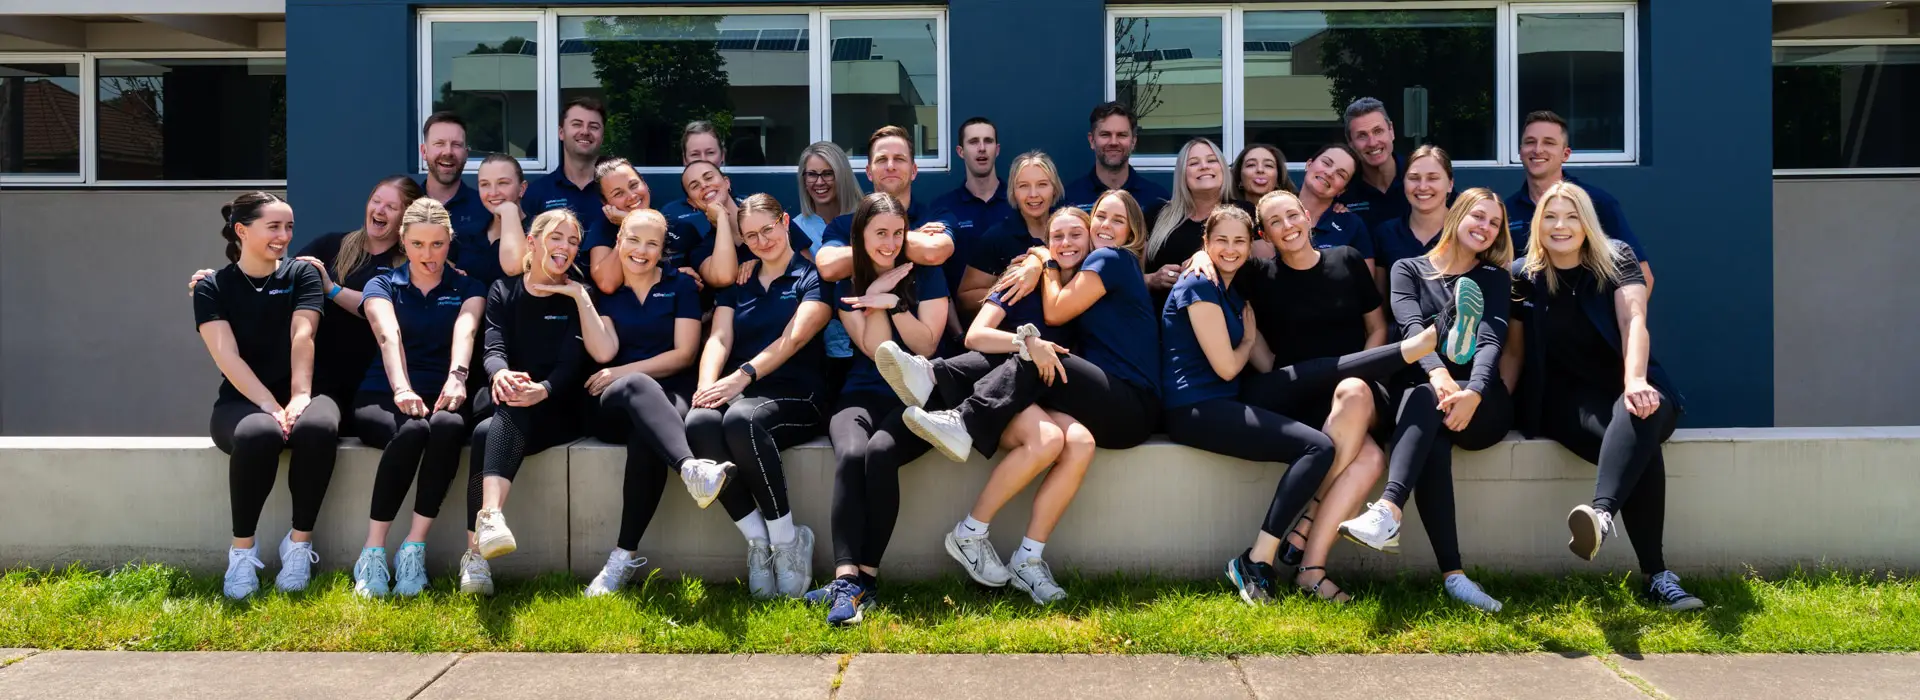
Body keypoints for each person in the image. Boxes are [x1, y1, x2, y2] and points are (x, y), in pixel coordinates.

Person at [1185, 190, 1442, 604]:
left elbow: (1376, 328)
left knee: (1359, 407)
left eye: (1292, 216)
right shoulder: (1260, 274)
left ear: (1307, 216)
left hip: (1353, 389)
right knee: (1371, 455)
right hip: (1297, 391)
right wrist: (1200, 259)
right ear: (1264, 234)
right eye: (1275, 222)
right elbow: (1216, 260)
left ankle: (1308, 542)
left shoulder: (1347, 259)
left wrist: (1360, 366)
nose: (1287, 226)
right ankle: (1309, 565)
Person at [1512, 181, 1702, 611]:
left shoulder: (1617, 258)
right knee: (1640, 448)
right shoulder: (1522, 275)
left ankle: (1600, 515)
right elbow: (1514, 350)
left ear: (1588, 223)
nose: (1561, 226)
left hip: (1631, 384)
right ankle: (1658, 576)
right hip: (1568, 402)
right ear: (1538, 224)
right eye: (1551, 217)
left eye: (1572, 216)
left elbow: (1634, 318)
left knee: (1640, 414)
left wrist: (1635, 380)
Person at [1337, 187, 1515, 613]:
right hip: (1428, 393)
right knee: (1426, 409)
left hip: (1479, 401)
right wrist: (1438, 373)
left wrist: (1472, 391)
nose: (1485, 228)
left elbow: (1491, 342)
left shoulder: (1493, 278)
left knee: (1429, 403)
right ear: (1456, 216)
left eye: (1494, 223)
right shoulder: (1407, 269)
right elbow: (1409, 327)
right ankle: (1454, 577)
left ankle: (1387, 511)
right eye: (1478, 216)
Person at [1156, 206, 1338, 604]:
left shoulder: (1230, 290)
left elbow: (1267, 364)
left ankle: (1388, 359)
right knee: (1317, 447)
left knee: (1317, 422)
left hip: (1223, 402)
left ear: (1252, 243)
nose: (1231, 249)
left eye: (1239, 240)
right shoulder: (1198, 283)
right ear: (1204, 243)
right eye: (1220, 240)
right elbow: (1226, 368)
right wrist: (1246, 340)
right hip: (1195, 409)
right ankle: (1257, 560)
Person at [893, 203, 1161, 463]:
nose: (1106, 225)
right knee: (1033, 351)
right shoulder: (1092, 272)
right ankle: (932, 378)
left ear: (1133, 232)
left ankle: (960, 416)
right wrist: (1039, 258)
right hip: (1110, 404)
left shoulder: (1111, 258)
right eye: (1100, 216)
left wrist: (1045, 260)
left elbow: (1054, 312)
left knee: (1039, 353)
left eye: (1118, 220)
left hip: (1131, 407)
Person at [815, 193, 960, 624]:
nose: (890, 243)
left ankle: (867, 579)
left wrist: (892, 303)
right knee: (852, 453)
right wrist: (874, 290)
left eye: (897, 233)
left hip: (915, 397)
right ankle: (846, 579)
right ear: (859, 235)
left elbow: (925, 344)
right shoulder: (846, 284)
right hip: (859, 392)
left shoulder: (927, 274)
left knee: (879, 453)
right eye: (880, 233)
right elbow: (875, 350)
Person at [458, 209, 616, 596]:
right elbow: (493, 346)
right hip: (511, 399)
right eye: (557, 237)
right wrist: (500, 374)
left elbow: (573, 362)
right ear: (533, 241)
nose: (565, 247)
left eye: (573, 241)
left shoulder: (579, 295)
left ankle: (482, 537)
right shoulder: (503, 290)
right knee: (485, 430)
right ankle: (479, 549)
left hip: (559, 406)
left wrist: (542, 389)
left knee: (497, 422)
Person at [581, 209, 736, 597]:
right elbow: (604, 356)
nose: (641, 250)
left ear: (663, 249)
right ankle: (691, 469)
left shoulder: (680, 287)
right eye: (633, 239)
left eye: (652, 243)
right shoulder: (605, 293)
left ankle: (621, 557)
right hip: (614, 401)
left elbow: (685, 354)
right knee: (635, 388)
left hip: (668, 396)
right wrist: (622, 376)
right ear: (619, 241)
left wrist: (624, 371)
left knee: (645, 439)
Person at [193, 192, 340, 600]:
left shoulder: (302, 275)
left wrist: (298, 397)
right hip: (242, 400)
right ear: (242, 230)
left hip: (302, 389)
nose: (284, 235)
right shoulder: (212, 287)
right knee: (260, 435)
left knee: (319, 427)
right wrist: (270, 406)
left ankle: (298, 545)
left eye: (289, 226)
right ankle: (242, 555)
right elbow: (226, 356)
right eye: (274, 226)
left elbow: (303, 333)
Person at [684, 194, 832, 600]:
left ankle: (788, 541)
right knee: (698, 422)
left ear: (785, 221)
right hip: (744, 395)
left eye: (768, 229)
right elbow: (719, 335)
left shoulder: (812, 276)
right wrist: (706, 386)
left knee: (740, 419)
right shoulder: (741, 281)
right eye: (751, 236)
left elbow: (795, 336)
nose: (762, 241)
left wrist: (741, 377)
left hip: (798, 398)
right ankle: (757, 541)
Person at [189, 177, 424, 418]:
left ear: (406, 217)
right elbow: (276, 274)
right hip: (326, 375)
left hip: (379, 378)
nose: (379, 210)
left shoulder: (415, 262)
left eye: (391, 207)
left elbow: (389, 310)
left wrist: (331, 289)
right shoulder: (332, 245)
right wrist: (219, 282)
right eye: (376, 201)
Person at [348, 198, 486, 598]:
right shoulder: (382, 283)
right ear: (403, 242)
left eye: (438, 244)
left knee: (445, 426)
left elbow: (467, 329)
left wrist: (458, 377)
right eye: (419, 245)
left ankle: (414, 548)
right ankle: (372, 551)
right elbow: (387, 335)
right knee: (412, 432)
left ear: (449, 242)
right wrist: (402, 388)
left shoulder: (467, 286)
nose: (429, 255)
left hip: (442, 392)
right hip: (383, 393)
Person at [1506, 110, 1653, 291]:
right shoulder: (1506, 211)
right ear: (1520, 151)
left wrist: (1619, 319)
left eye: (1549, 142)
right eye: (1530, 142)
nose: (1538, 149)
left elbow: (1642, 276)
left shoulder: (1597, 203)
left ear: (1565, 154)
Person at [817, 126, 955, 286]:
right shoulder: (843, 225)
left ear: (914, 171)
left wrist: (869, 245)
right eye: (882, 159)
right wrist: (910, 238)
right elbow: (828, 268)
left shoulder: (935, 216)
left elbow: (933, 252)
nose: (890, 166)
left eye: (899, 159)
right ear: (869, 172)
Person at [794, 141, 865, 397]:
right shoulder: (793, 227)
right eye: (812, 174)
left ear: (842, 175)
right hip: (818, 350)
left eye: (827, 173)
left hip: (865, 337)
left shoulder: (868, 217)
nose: (819, 181)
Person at [955, 151, 1063, 320]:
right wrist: (1007, 284)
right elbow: (964, 299)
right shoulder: (997, 237)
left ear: (1055, 188)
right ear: (1013, 191)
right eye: (1023, 186)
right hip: (1016, 339)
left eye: (1042, 184)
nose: (1033, 194)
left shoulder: (1069, 231)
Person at [1144, 138, 1232, 300]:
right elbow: (1128, 276)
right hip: (1161, 320)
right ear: (1182, 174)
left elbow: (1258, 273)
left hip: (1219, 319)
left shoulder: (1240, 213)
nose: (1204, 166)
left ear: (1223, 168)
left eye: (1211, 160)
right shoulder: (1156, 214)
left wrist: (1203, 256)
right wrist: (1151, 279)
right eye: (1193, 163)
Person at [1370, 145, 1454, 297]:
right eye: (1414, 178)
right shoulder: (1386, 233)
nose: (1422, 187)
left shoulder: (1465, 232)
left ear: (1450, 184)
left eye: (1433, 178)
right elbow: (1379, 303)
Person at [416, 112, 493, 267]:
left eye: (456, 145)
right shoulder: (407, 203)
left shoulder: (486, 207)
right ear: (424, 151)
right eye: (439, 144)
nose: (448, 152)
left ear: (466, 154)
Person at [1062, 102, 1171, 211]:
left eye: (1121, 135)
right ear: (1092, 140)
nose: (1113, 142)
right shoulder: (1069, 200)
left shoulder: (1157, 199)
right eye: (1105, 134)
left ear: (1133, 141)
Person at [1292, 144, 1375, 276]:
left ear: (1342, 190)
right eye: (1326, 163)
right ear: (1309, 164)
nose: (1330, 173)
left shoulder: (1351, 225)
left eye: (1341, 175)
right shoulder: (1275, 212)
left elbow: (1366, 288)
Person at [929, 117, 1015, 243]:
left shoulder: (1017, 202)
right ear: (961, 152)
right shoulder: (943, 207)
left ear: (997, 150)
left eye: (988, 141)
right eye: (973, 142)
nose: (982, 148)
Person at [521, 97, 607, 224]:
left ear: (602, 137)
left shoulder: (618, 190)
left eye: (593, 127)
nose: (585, 131)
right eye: (577, 124)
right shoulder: (537, 192)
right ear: (561, 133)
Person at [1337, 97, 1410, 230]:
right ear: (1350, 143)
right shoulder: (1342, 190)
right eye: (1362, 136)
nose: (1372, 143)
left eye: (1378, 131)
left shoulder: (1418, 178)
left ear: (1391, 131)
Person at [461, 152, 529, 287]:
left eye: (503, 183)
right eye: (485, 184)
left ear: (522, 188)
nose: (493, 192)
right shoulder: (468, 234)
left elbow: (513, 268)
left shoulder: (538, 232)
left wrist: (509, 211)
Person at [1230, 143, 1294, 235]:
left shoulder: (1292, 219)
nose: (1260, 170)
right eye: (1251, 165)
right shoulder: (1225, 216)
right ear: (1239, 178)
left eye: (1268, 165)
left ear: (1278, 180)